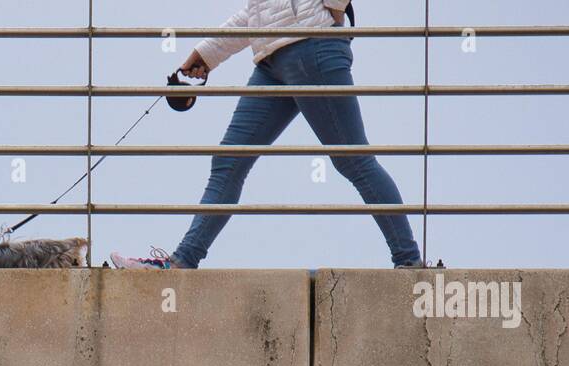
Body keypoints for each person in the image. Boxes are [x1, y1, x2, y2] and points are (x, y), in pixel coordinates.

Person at [112, 0, 424, 270]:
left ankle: (409, 261)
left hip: (311, 46)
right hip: (272, 60)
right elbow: (258, 12)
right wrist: (207, 53)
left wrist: (334, 8)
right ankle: (181, 261)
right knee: (229, 161)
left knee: (353, 161)